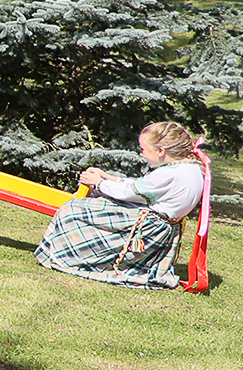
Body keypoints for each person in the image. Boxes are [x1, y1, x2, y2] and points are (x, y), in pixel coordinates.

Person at [35, 121, 213, 290]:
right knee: (96, 202)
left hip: (148, 226)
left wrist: (99, 183)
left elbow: (131, 192)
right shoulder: (191, 167)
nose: (141, 154)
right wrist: (110, 178)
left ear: (161, 151)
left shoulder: (169, 174)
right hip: (162, 226)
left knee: (74, 209)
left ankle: (65, 256)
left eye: (143, 149)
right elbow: (143, 188)